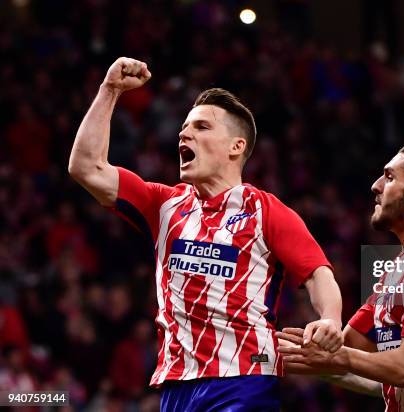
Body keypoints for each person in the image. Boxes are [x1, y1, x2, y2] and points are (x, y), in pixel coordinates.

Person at [68, 57, 343, 411]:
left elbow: (318, 274)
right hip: (176, 384)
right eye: (184, 128)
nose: (184, 134)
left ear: (236, 147)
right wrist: (110, 90)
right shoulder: (163, 204)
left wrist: (330, 318)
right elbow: (85, 167)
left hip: (244, 380)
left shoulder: (267, 210)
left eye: (201, 127)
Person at [278, 142, 404, 412]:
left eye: (389, 177)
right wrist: (252, 349)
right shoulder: (397, 270)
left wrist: (337, 356)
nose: (375, 186)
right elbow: (343, 348)